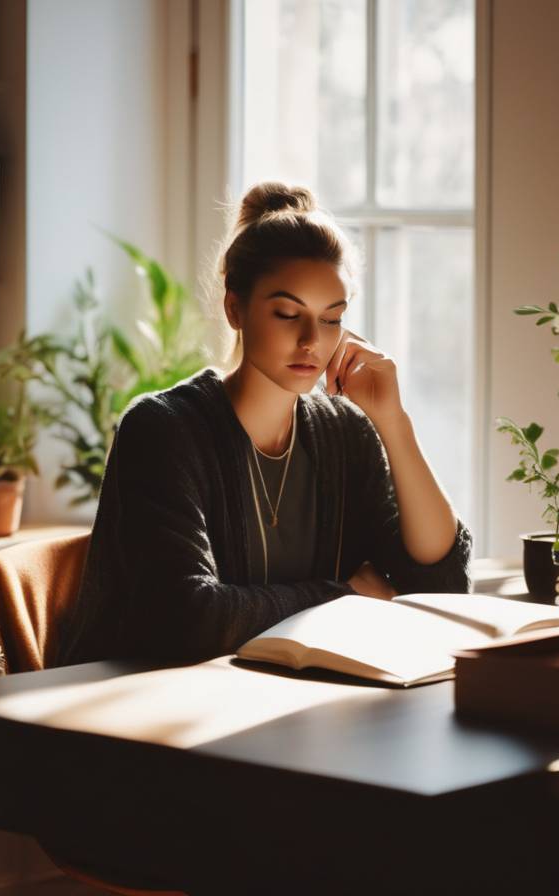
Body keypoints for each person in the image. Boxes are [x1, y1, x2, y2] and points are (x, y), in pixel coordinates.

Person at [57, 182, 472, 665]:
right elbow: (185, 619)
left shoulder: (346, 433)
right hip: (140, 711)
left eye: (331, 318)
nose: (311, 341)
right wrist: (344, 594)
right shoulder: (162, 430)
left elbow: (440, 585)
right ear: (235, 308)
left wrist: (393, 424)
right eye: (287, 314)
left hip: (283, 705)